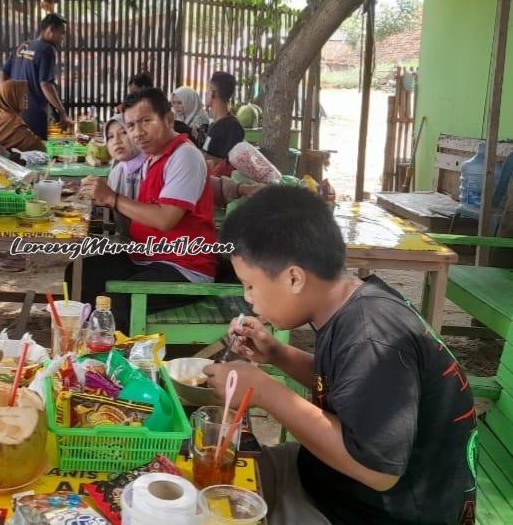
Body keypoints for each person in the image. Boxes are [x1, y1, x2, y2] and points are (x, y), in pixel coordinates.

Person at [204, 186, 477, 525]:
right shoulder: (354, 302)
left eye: (250, 285)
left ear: (293, 278)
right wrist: (276, 353)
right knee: (210, 474)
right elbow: (351, 386)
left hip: (374, 511)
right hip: (329, 481)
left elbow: (378, 470)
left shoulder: (372, 334)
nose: (248, 300)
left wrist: (267, 393)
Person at [70, 88, 218, 334]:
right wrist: (103, 200)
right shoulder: (154, 157)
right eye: (131, 125)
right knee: (82, 274)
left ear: (168, 119)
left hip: (183, 268)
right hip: (148, 258)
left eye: (146, 121)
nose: (137, 132)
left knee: (115, 301)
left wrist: (113, 198)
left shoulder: (185, 156)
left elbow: (165, 218)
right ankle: (85, 345)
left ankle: (118, 362)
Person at [1, 13, 72, 139]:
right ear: (50, 30)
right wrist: (62, 112)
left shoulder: (24, 46)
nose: (62, 37)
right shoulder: (47, 49)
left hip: (17, 115)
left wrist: (4, 100)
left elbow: (3, 73)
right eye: (61, 33)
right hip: (35, 116)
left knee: (21, 152)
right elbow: (45, 84)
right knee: (38, 153)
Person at [104, 114, 146, 238]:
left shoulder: (152, 167)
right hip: (126, 244)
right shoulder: (116, 172)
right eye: (110, 137)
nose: (116, 141)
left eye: (123, 133)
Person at [0, 80, 45, 153]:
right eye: (21, 94)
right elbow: (38, 146)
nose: (26, 98)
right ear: (10, 96)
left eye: (26, 94)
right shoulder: (13, 124)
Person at [203, 71, 245, 177]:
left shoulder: (232, 127)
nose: (205, 94)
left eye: (207, 90)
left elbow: (228, 163)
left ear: (213, 93)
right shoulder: (216, 124)